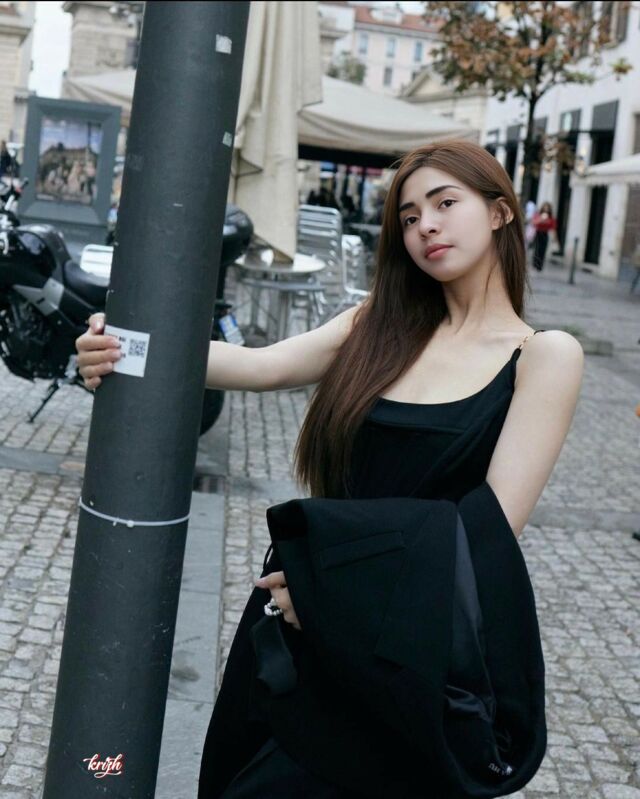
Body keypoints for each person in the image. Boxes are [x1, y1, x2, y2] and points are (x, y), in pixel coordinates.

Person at [75, 139, 584, 797]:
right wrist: (121, 345)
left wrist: (330, 592)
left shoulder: (544, 355)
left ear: (500, 212)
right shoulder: (378, 325)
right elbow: (260, 365)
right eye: (408, 216)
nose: (424, 226)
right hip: (298, 621)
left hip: (400, 646)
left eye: (444, 203)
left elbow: (485, 528)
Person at [531, 201, 557, 272]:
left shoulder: (551, 217)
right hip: (538, 233)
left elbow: (553, 227)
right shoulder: (538, 215)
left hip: (545, 234)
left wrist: (555, 238)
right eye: (545, 207)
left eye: (547, 208)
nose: (546, 209)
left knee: (542, 250)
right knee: (537, 249)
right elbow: (533, 222)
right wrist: (541, 220)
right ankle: (535, 264)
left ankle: (540, 266)